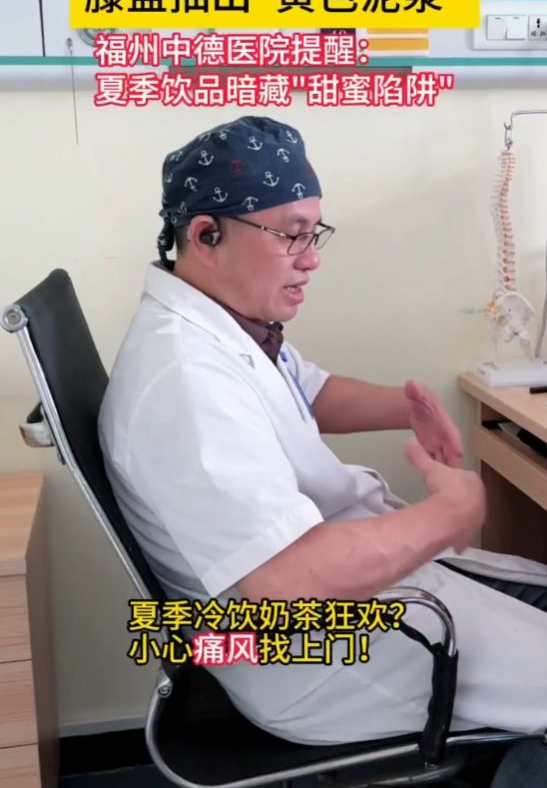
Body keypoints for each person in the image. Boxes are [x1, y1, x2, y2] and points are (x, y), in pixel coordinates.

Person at [98, 116, 547, 761]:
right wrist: (450, 514)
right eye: (291, 235)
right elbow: (286, 581)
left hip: (352, 600)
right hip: (322, 656)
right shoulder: (185, 381)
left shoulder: (222, 324)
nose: (311, 259)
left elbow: (305, 390)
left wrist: (405, 407)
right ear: (206, 235)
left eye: (314, 234)